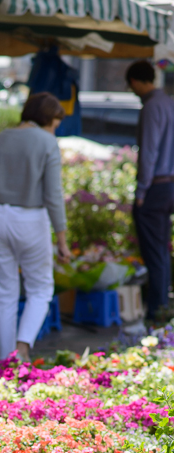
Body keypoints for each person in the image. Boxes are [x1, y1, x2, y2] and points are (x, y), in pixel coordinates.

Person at [0, 92, 72, 362]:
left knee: (4, 292)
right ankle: (23, 345)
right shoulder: (46, 143)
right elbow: (53, 194)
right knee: (40, 288)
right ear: (46, 119)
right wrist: (62, 240)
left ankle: (6, 362)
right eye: (55, 123)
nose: (55, 130)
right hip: (30, 219)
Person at [126, 59, 174, 321]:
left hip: (155, 187)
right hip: (170, 186)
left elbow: (149, 151)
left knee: (154, 251)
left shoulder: (152, 106)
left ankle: (156, 310)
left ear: (134, 81)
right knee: (162, 249)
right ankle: (162, 306)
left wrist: (141, 191)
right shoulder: (169, 101)